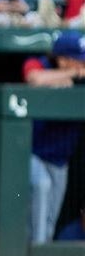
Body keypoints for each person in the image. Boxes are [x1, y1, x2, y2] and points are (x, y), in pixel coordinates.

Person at [21, 30, 85, 244]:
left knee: (49, 221)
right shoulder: (39, 64)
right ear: (62, 59)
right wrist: (72, 75)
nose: (81, 65)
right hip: (34, 152)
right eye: (77, 60)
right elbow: (33, 78)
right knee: (40, 188)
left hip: (60, 160)